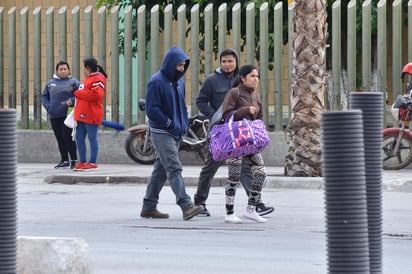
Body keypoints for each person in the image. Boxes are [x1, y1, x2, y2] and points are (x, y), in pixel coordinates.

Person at [194, 49, 274, 217]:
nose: (227, 64)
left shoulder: (244, 80)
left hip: (242, 136)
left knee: (246, 168)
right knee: (210, 167)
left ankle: (257, 203)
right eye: (224, 61)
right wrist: (213, 116)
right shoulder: (212, 81)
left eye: (230, 61)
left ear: (236, 62)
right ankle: (200, 203)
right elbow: (200, 101)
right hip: (221, 133)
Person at [140, 46, 203, 221]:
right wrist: (169, 123)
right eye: (179, 65)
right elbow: (152, 110)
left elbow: (181, 106)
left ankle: (148, 206)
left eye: (184, 66)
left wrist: (182, 126)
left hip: (176, 132)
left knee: (160, 171)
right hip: (162, 133)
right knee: (174, 168)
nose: (182, 69)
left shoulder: (179, 82)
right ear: (170, 64)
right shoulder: (156, 81)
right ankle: (186, 205)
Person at [220, 64, 268, 223]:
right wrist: (245, 110)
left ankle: (251, 209)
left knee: (261, 173)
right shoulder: (235, 92)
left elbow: (258, 117)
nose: (256, 79)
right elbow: (226, 115)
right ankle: (229, 213)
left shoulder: (256, 96)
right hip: (235, 141)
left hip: (251, 142)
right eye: (253, 76)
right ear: (242, 78)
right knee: (233, 176)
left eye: (257, 76)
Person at [41, 61, 80, 169]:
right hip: (54, 115)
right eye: (60, 69)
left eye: (65, 69)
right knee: (59, 138)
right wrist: (48, 107)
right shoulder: (50, 83)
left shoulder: (74, 82)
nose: (63, 71)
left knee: (68, 137)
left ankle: (74, 160)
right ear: (57, 71)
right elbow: (44, 96)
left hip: (67, 115)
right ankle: (64, 160)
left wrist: (71, 101)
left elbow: (80, 95)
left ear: (68, 70)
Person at [72, 57, 107, 171]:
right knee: (79, 138)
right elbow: (88, 93)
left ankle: (92, 162)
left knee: (92, 138)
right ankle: (82, 161)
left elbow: (97, 95)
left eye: (84, 68)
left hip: (92, 113)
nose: (83, 71)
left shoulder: (98, 78)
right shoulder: (88, 79)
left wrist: (79, 93)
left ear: (87, 68)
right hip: (81, 114)